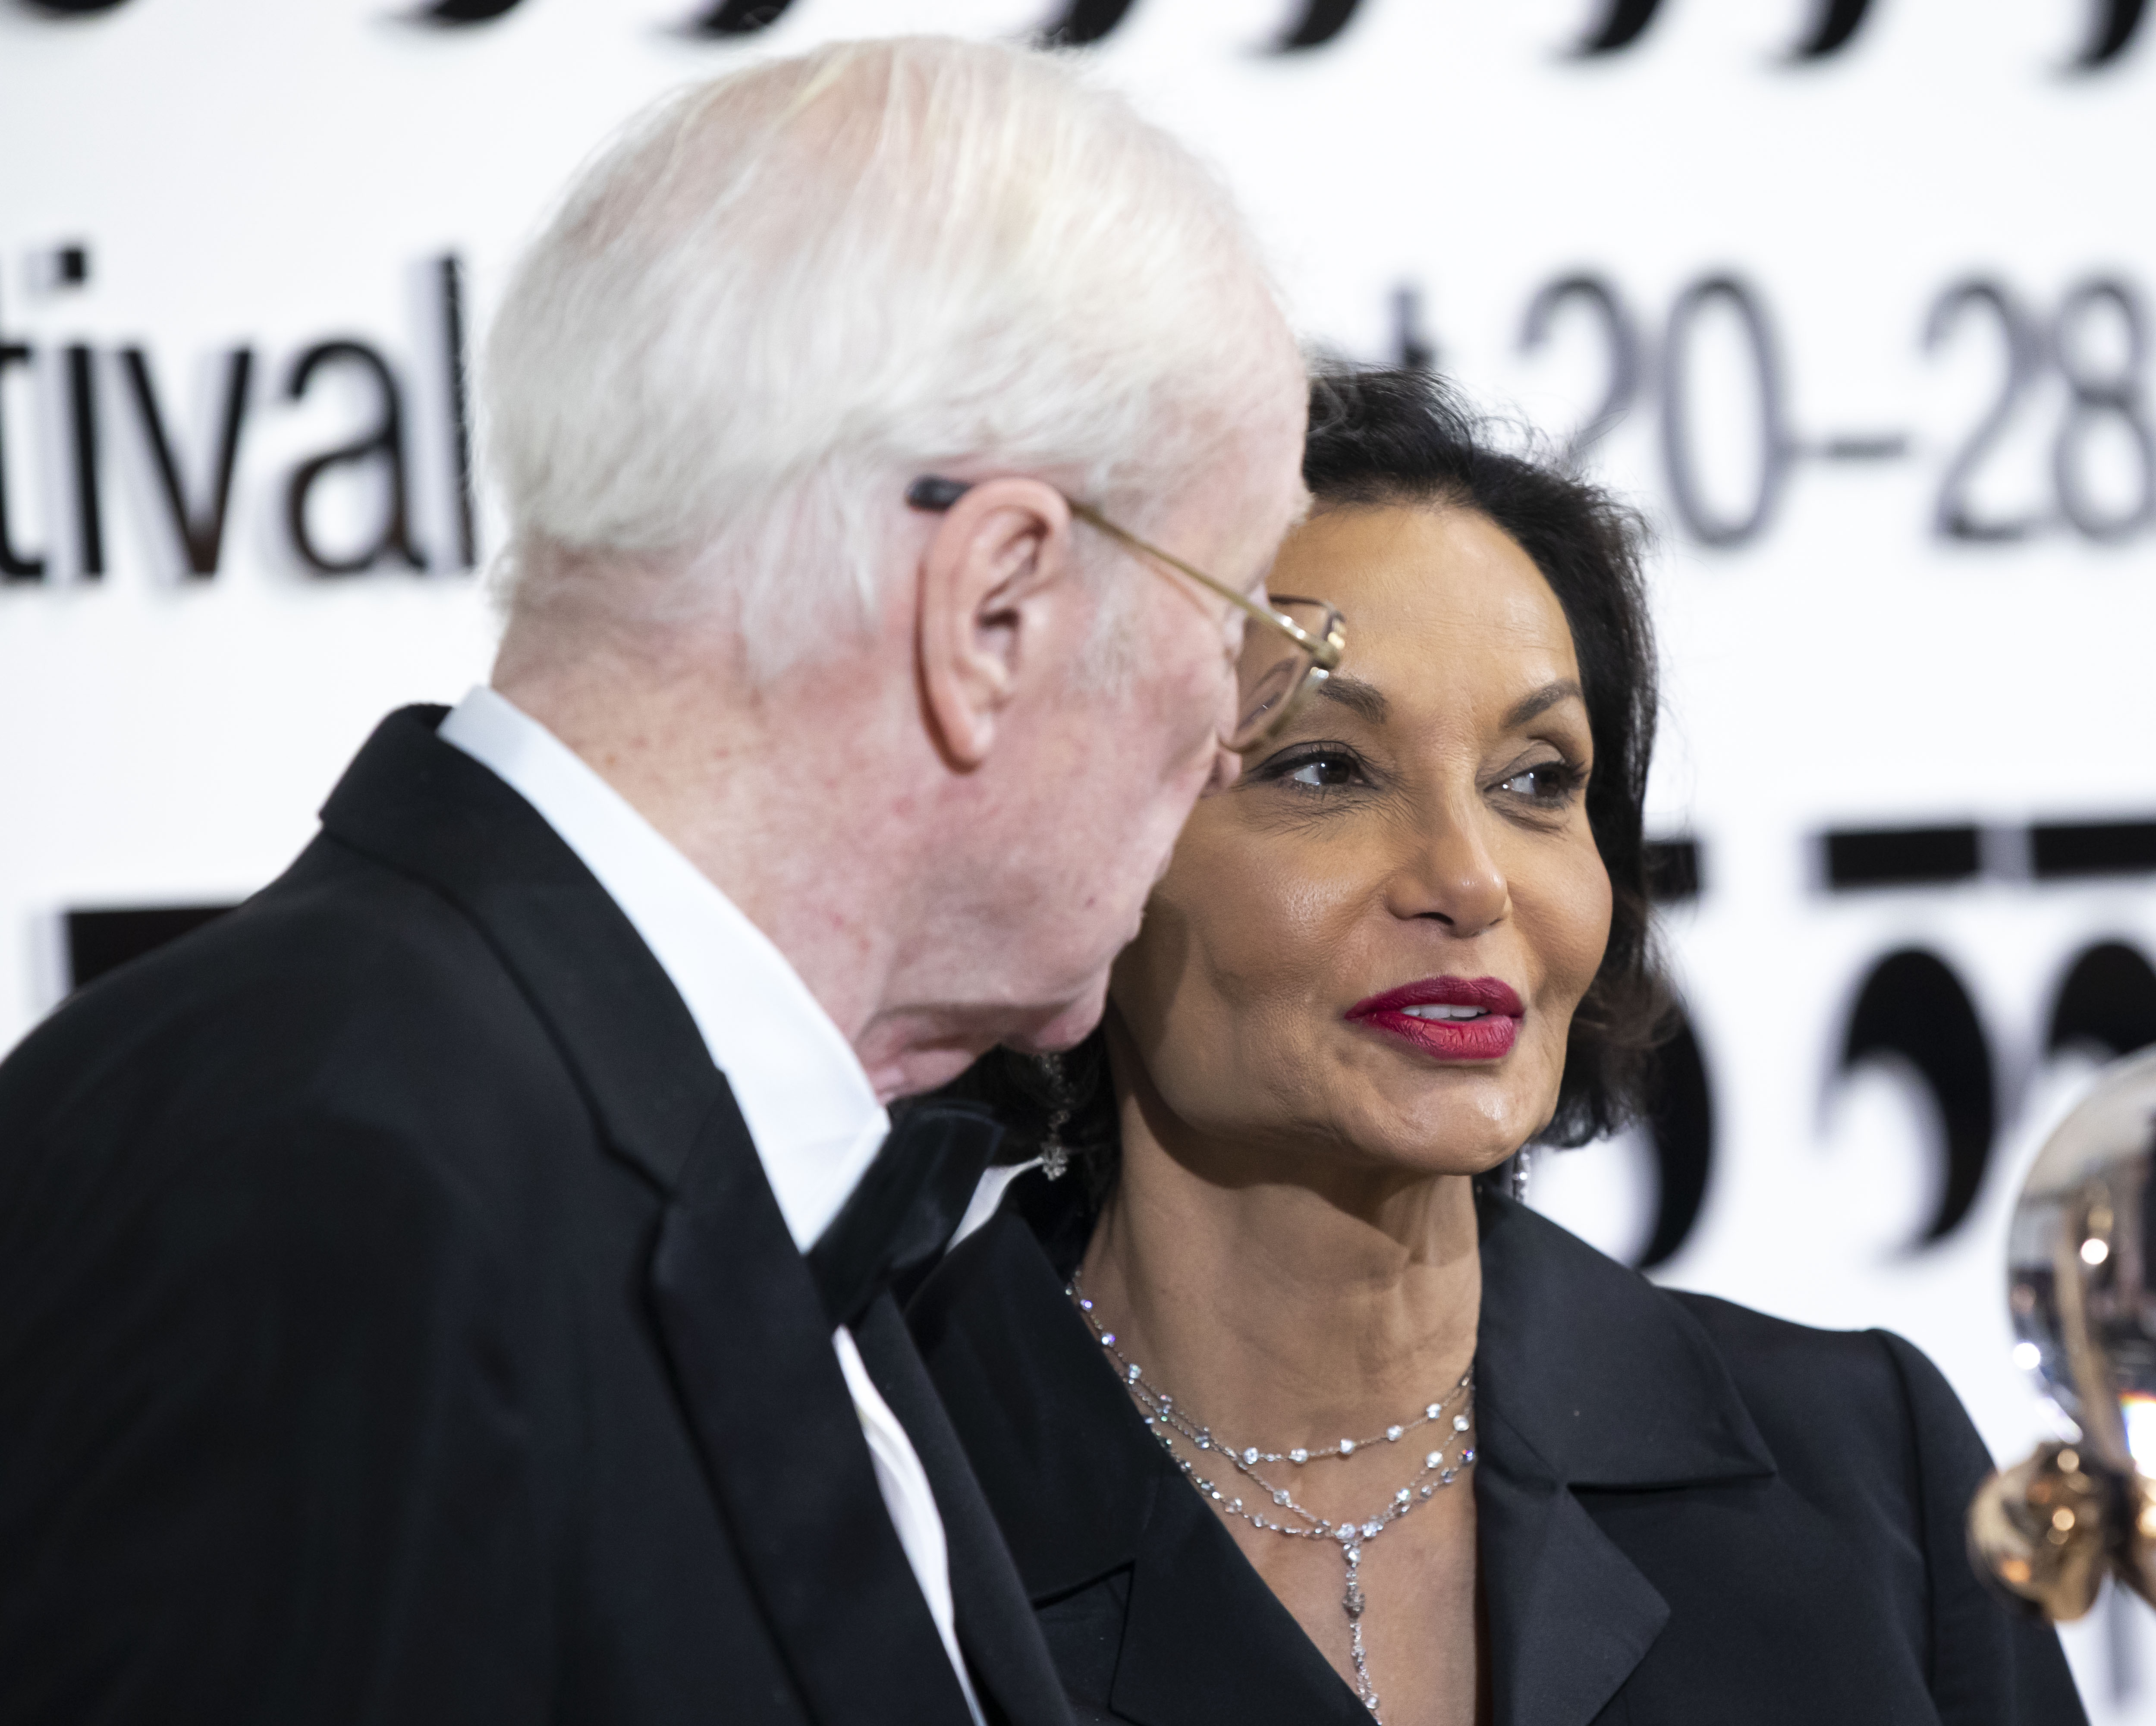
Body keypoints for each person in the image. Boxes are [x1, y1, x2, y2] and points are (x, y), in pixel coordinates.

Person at [0, 39, 1317, 1726]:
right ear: (995, 608)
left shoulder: (631, 1151)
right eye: (1245, 618)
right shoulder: (311, 1177)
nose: (1227, 734)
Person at [909, 367, 2090, 1726]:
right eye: (1323, 770)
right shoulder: (878, 1494)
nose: (1468, 881)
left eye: (1537, 780)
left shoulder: (1861, 1465)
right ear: (1084, 848)